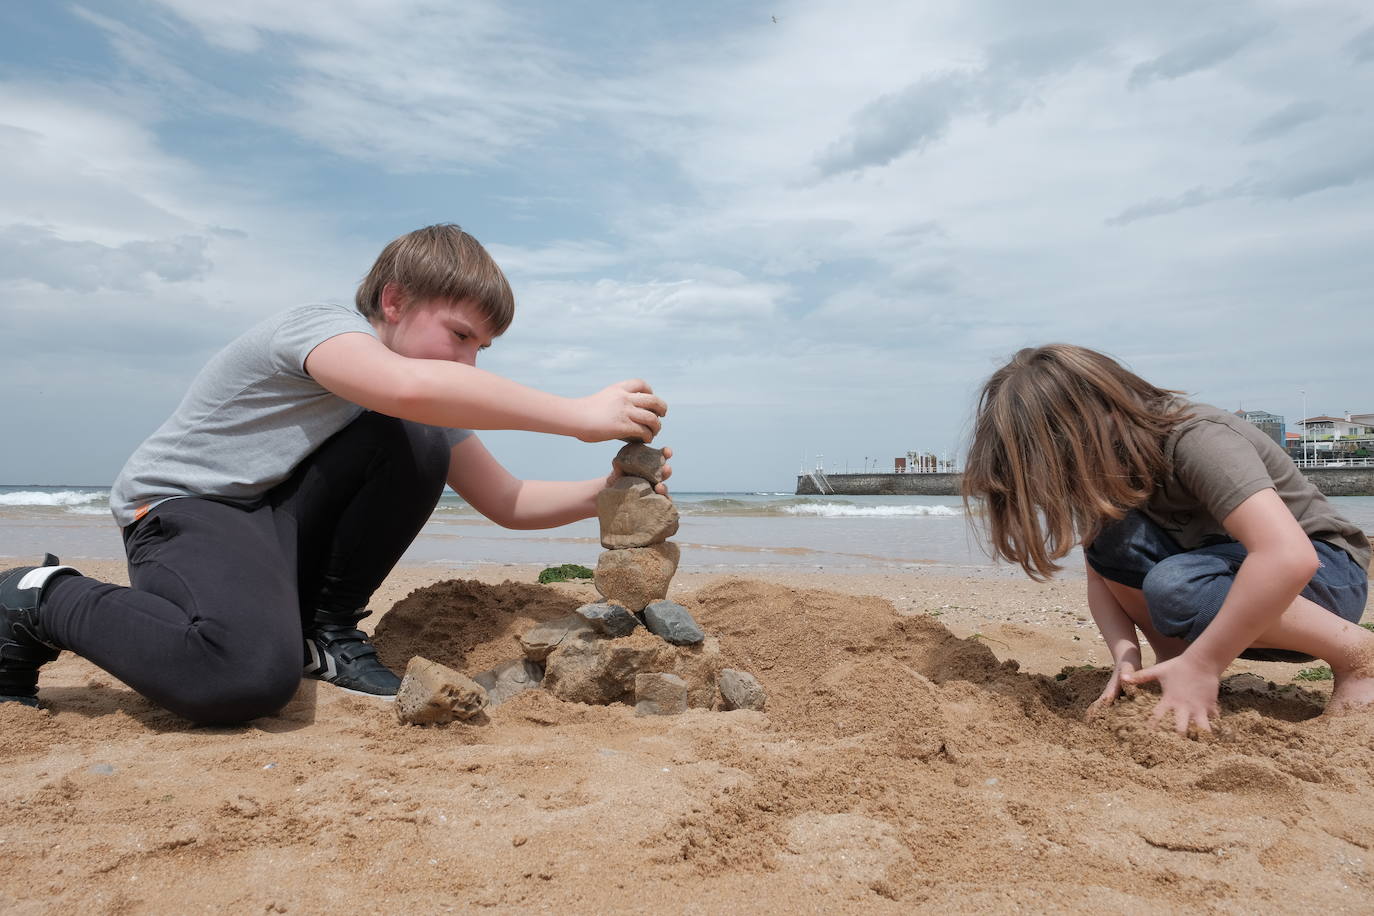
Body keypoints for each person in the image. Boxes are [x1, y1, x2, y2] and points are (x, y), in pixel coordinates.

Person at [0, 224, 670, 723]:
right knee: (239, 679)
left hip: (274, 526)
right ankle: (37, 597)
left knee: (421, 435)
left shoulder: (418, 399)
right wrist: (577, 415)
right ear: (394, 300)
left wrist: (607, 494)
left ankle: (326, 631)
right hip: (187, 512)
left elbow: (509, 500)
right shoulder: (320, 329)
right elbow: (406, 388)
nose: (469, 362)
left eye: (482, 348)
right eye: (460, 335)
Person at [962, 344, 1371, 735]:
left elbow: (1289, 557)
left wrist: (1206, 663)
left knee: (1175, 585)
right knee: (1111, 538)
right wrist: (1126, 656)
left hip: (1327, 580)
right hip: (1230, 583)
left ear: (1100, 420)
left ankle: (1356, 657)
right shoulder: (1107, 471)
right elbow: (1101, 575)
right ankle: (1174, 661)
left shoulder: (1197, 438)